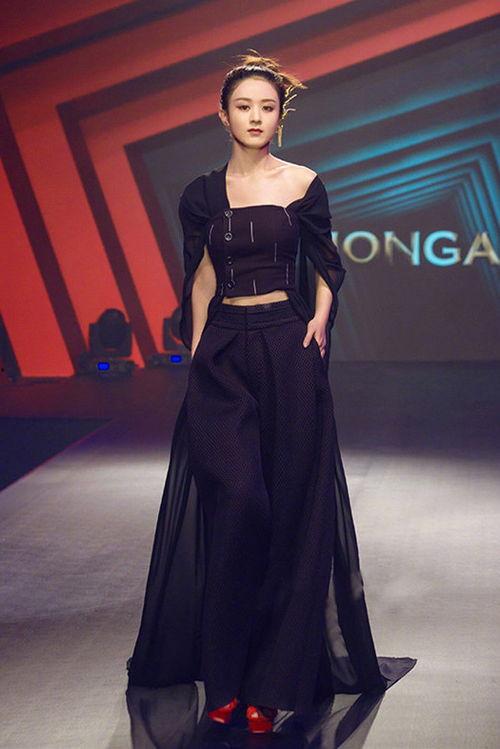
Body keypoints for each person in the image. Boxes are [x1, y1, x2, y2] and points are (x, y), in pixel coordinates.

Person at [126, 50, 416, 735]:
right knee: (238, 505)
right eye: (243, 106)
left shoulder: (304, 182)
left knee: (292, 517)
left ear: (280, 116)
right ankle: (224, 673)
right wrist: (197, 351)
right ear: (222, 115)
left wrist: (319, 318)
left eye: (267, 106)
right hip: (224, 352)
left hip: (288, 347)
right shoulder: (201, 195)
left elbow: (327, 263)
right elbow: (200, 277)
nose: (255, 117)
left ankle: (268, 684)